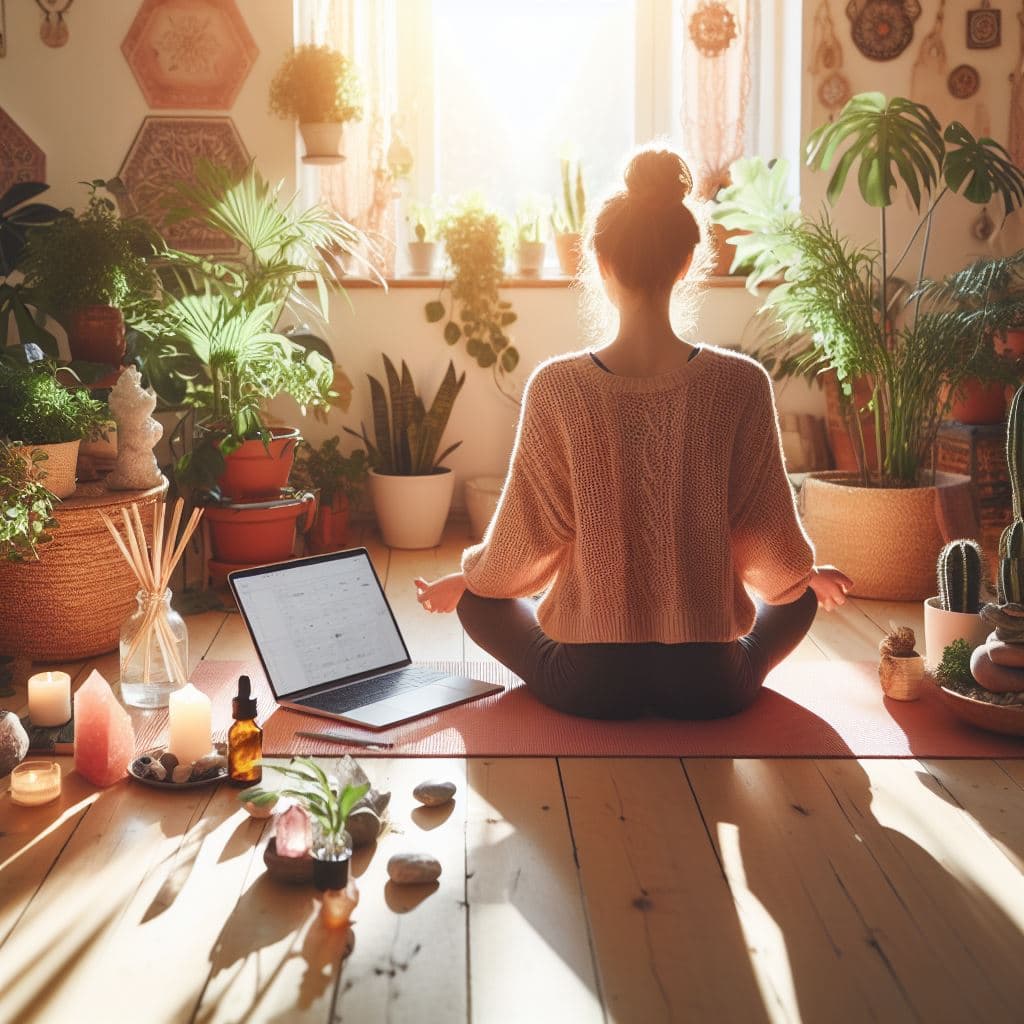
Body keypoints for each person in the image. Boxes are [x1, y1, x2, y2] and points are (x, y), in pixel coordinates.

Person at [413, 146, 852, 720]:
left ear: (600, 262)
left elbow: (524, 543)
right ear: (688, 263)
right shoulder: (741, 383)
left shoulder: (557, 387)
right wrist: (802, 578)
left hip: (590, 685)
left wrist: (469, 579)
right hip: (711, 684)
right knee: (798, 600)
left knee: (477, 601)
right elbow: (767, 540)